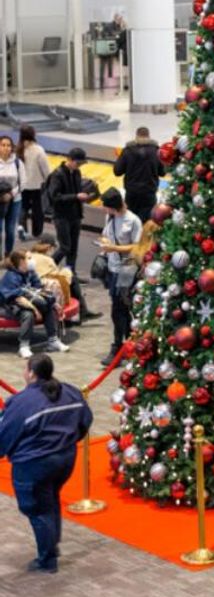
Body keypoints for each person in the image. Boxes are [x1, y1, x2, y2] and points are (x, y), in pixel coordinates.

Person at [0, 354, 92, 574]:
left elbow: (5, 434)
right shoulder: (70, 392)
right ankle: (52, 544)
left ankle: (47, 558)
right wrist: (68, 441)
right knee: (50, 499)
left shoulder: (22, 402)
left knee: (37, 509)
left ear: (31, 372)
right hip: (65, 459)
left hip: (33, 464)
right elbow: (85, 419)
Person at [97, 188, 142, 366]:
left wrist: (114, 248)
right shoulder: (110, 217)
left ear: (114, 206)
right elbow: (105, 235)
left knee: (122, 307)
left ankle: (122, 346)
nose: (104, 210)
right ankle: (126, 345)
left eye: (106, 207)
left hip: (127, 269)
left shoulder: (133, 221)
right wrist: (105, 243)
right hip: (112, 268)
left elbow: (137, 247)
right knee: (118, 308)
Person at [1, 251, 69, 358]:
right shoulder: (11, 276)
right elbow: (17, 299)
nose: (32, 260)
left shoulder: (30, 272)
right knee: (28, 314)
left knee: (49, 308)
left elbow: (39, 289)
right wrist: (35, 310)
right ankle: (24, 346)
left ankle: (53, 341)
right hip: (9, 305)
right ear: (21, 261)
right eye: (29, 258)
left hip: (26, 301)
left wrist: (53, 302)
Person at [27, 238, 100, 324]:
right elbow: (54, 273)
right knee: (71, 278)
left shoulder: (29, 255)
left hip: (33, 284)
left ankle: (82, 311)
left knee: (70, 278)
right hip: (41, 286)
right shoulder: (46, 259)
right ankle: (82, 311)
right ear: (49, 248)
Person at [46, 148, 91, 273]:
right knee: (65, 247)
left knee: (73, 248)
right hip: (61, 216)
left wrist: (84, 194)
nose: (79, 166)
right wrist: (76, 196)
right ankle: (47, 267)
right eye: (78, 163)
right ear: (69, 160)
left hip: (75, 215)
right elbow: (55, 196)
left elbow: (77, 191)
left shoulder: (77, 173)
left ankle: (71, 274)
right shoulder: (57, 174)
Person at [113, 126, 164, 222]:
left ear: (136, 136)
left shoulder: (127, 150)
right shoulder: (157, 151)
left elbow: (117, 171)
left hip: (132, 193)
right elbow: (163, 172)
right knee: (147, 222)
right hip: (149, 193)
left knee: (130, 221)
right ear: (149, 136)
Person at [17, 126, 50, 241]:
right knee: (38, 210)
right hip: (37, 186)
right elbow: (45, 169)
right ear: (33, 135)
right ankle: (37, 232)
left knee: (23, 207)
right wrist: (48, 180)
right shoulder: (38, 150)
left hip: (22, 185)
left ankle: (21, 227)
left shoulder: (19, 149)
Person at [0, 135, 25, 255]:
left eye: (8, 145)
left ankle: (8, 254)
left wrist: (11, 194)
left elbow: (23, 182)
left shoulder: (17, 163)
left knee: (10, 230)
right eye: (3, 145)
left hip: (14, 200)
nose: (6, 148)